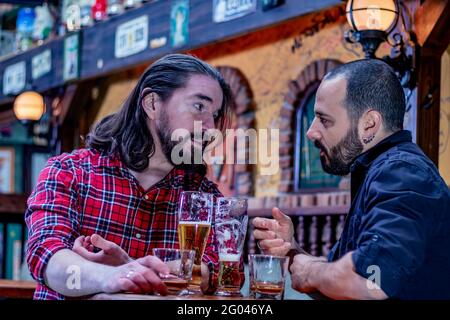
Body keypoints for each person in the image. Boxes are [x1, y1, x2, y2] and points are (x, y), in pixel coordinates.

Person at [25, 54, 233, 299]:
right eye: (199, 107)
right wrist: (112, 276)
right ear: (152, 104)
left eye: (215, 114)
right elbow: (48, 257)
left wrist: (129, 267)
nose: (209, 126)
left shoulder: (206, 197)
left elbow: (213, 271)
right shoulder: (69, 172)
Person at [253, 59, 450, 300]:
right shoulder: (379, 172)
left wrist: (312, 271)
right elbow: (340, 286)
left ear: (369, 124)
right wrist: (291, 251)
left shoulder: (401, 173)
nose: (311, 131)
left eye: (324, 119)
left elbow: (371, 284)